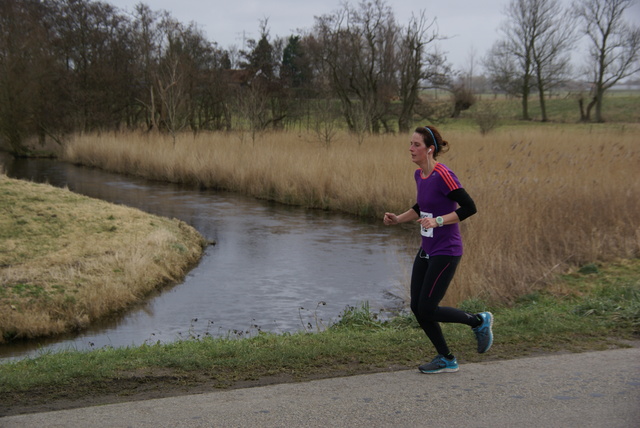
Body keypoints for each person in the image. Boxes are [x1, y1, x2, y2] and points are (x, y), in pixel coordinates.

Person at [383, 125, 493, 374]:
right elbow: (422, 206)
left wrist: (439, 220)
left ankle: (478, 320)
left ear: (430, 149)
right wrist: (398, 219)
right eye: (410, 144)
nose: (411, 148)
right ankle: (446, 358)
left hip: (446, 250)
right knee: (417, 307)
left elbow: (469, 207)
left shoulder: (443, 174)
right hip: (427, 248)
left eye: (416, 145)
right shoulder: (419, 175)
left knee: (429, 308)